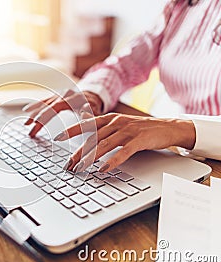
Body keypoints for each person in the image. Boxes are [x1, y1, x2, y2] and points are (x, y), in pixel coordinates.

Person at [23, 0, 221, 174]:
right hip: (189, 159)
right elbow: (127, 62)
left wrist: (182, 130)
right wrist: (93, 93)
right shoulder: (182, 5)